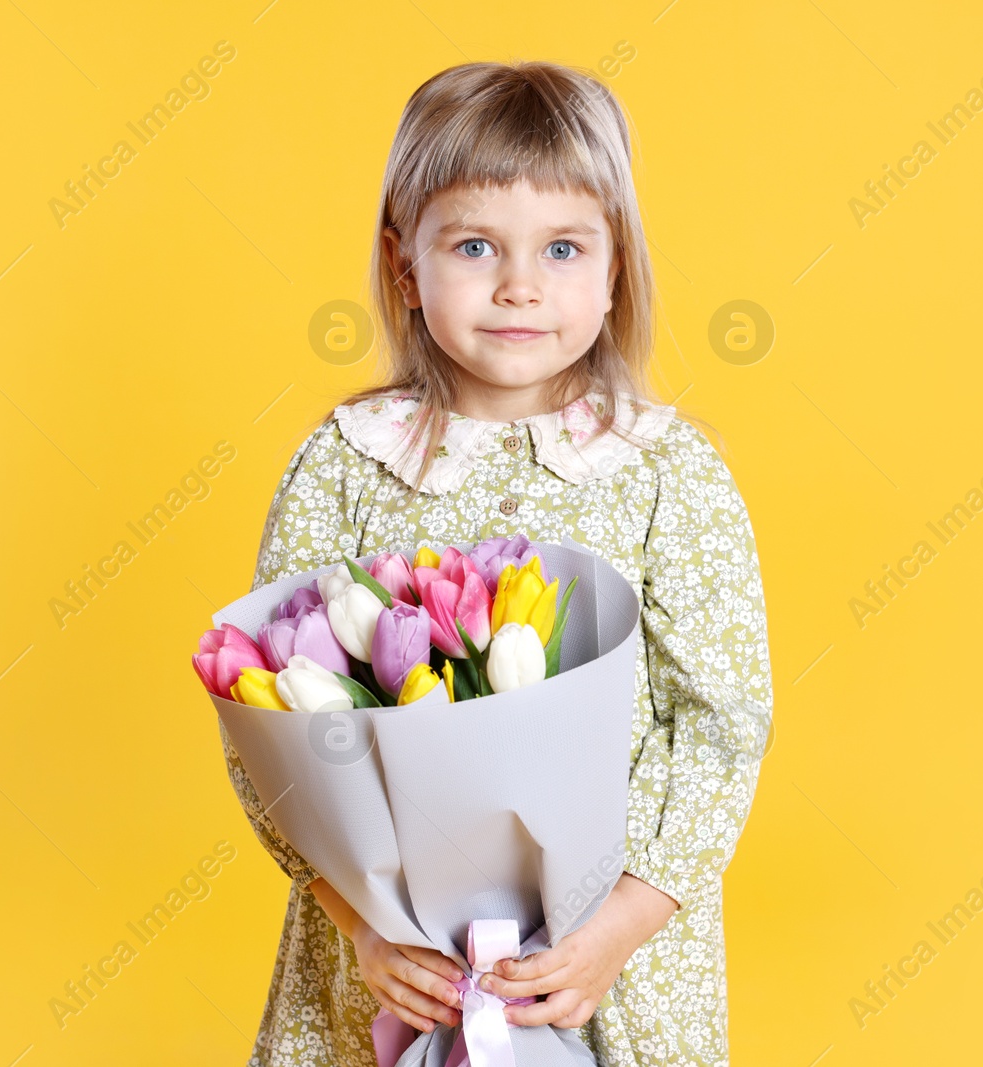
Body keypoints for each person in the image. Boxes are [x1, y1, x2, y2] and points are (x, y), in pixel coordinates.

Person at [218, 58, 773, 1067]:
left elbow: (721, 723)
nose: (520, 284)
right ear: (404, 267)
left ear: (614, 268)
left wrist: (622, 924)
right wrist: (363, 924)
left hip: (609, 955)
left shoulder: (665, 471)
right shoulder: (344, 462)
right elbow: (266, 723)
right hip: (393, 955)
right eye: (475, 245)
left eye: (562, 247)